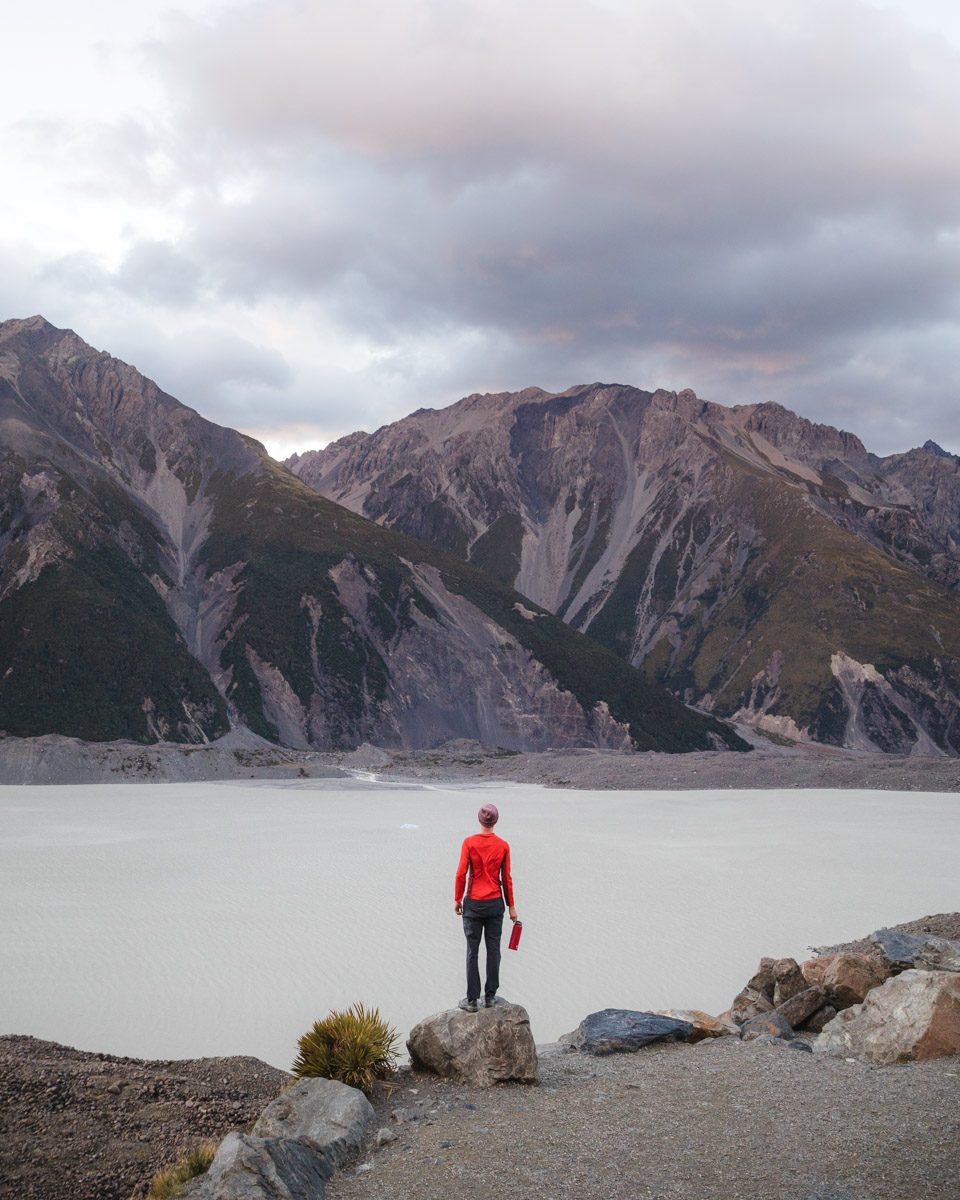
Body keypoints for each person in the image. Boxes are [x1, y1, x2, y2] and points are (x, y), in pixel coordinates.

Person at [454, 802, 519, 1012]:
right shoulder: (503, 845)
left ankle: (472, 1000)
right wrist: (511, 907)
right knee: (494, 950)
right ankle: (490, 997)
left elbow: (461, 874)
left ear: (480, 820)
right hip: (494, 905)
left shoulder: (469, 843)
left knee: (472, 951)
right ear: (495, 821)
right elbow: (506, 878)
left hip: (473, 904)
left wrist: (457, 899)